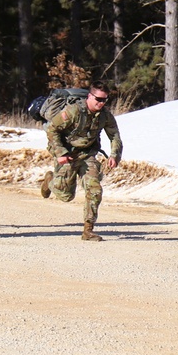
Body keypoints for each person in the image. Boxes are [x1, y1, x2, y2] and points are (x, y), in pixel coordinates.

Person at [40, 81, 123, 241]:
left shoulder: (105, 115)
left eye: (104, 100)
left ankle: (88, 230)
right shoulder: (74, 111)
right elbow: (52, 129)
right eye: (98, 99)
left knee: (95, 190)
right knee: (65, 195)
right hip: (68, 153)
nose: (101, 103)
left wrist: (114, 155)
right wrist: (60, 152)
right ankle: (50, 181)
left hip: (88, 155)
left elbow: (114, 135)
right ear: (90, 96)